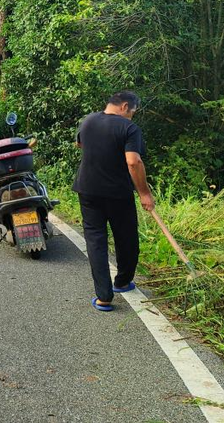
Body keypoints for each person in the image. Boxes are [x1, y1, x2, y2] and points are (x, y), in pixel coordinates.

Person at [73, 90, 155, 313]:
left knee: (96, 241)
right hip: (118, 194)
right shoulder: (129, 128)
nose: (133, 116)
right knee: (126, 237)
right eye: (133, 112)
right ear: (125, 106)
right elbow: (133, 162)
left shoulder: (87, 121)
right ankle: (122, 282)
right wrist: (145, 193)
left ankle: (104, 297)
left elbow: (80, 145)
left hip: (87, 190)